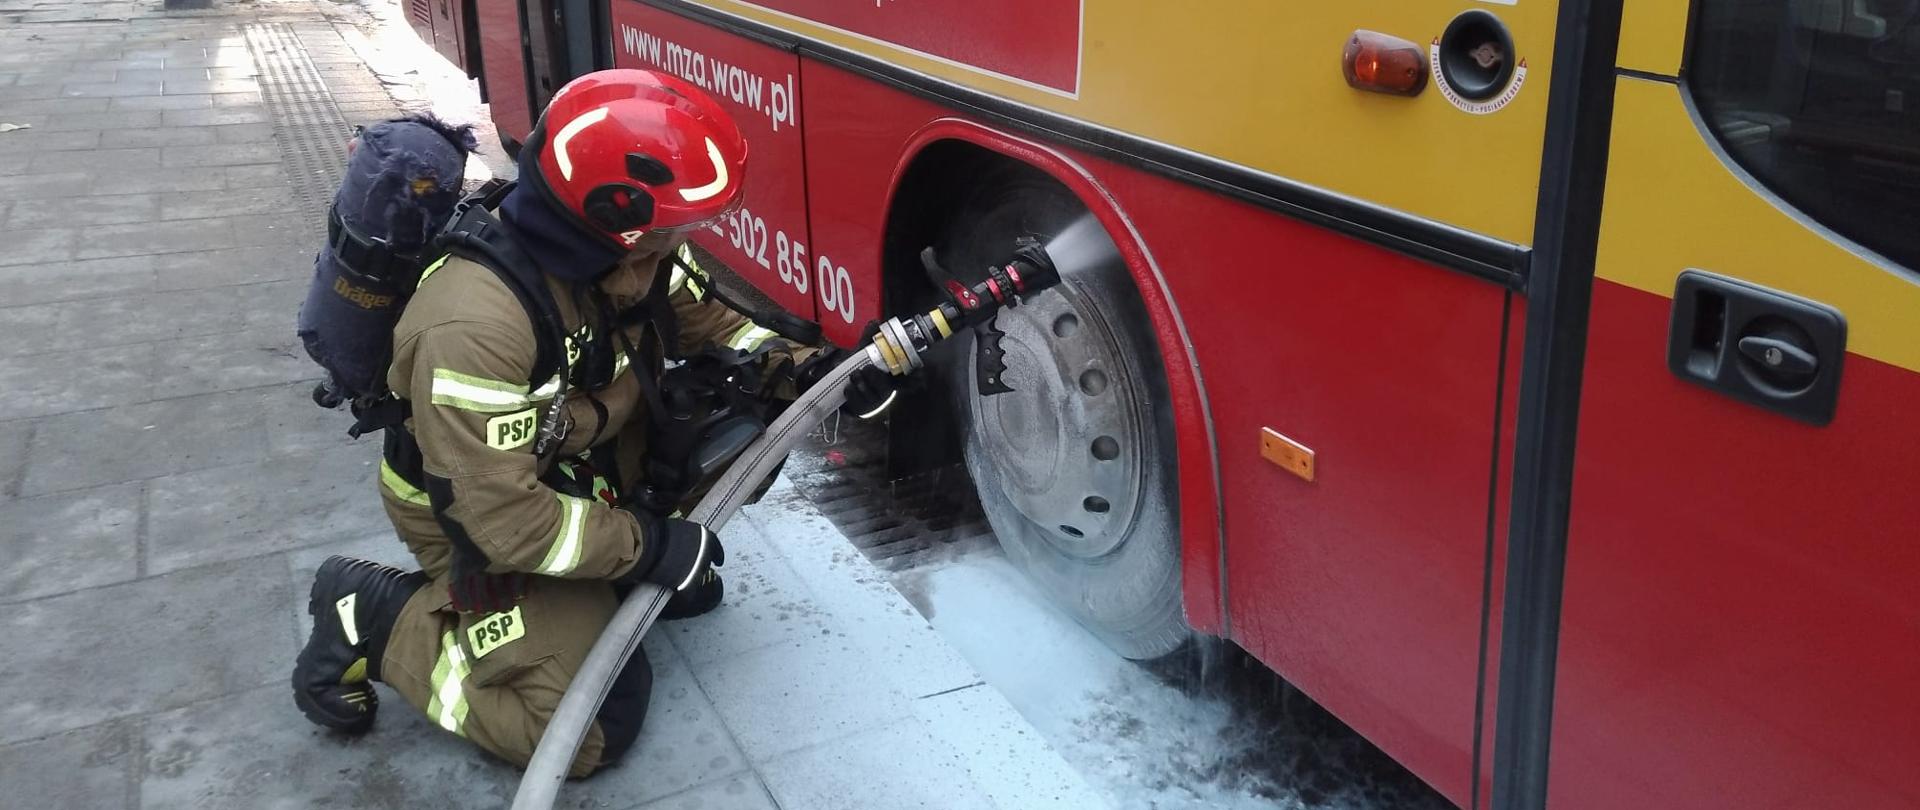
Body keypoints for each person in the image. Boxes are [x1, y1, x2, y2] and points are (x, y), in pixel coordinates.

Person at [290, 68, 889, 777]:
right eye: (673, 223)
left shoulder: (636, 256)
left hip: (580, 462)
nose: (685, 236)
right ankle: (375, 616)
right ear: (616, 217)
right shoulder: (473, 325)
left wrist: (820, 373)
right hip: (481, 518)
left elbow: (726, 331)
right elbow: (505, 523)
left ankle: (604, 580)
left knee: (750, 423)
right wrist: (646, 547)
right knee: (582, 731)